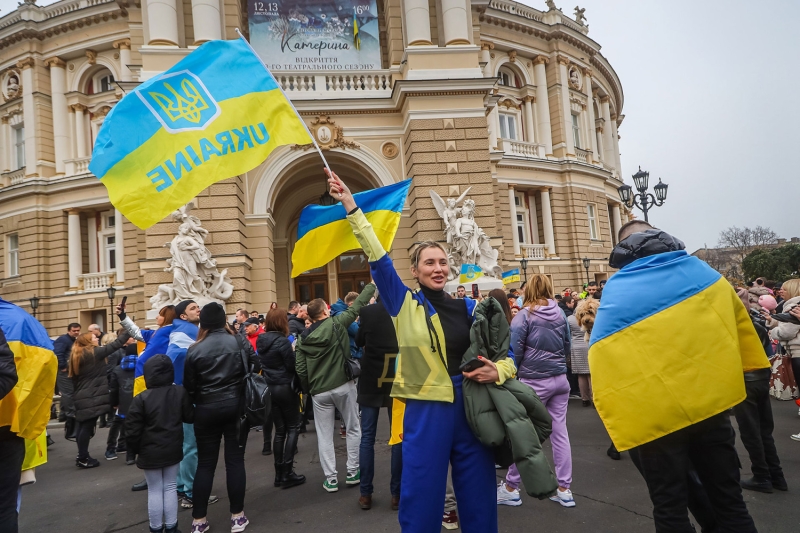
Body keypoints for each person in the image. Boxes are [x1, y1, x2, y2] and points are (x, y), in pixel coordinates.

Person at [327, 169, 516, 533]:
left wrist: (499, 371)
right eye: (429, 263)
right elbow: (378, 257)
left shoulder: (470, 310)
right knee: (420, 500)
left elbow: (507, 356)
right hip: (425, 409)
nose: (438, 268)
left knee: (478, 499)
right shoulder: (402, 304)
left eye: (443, 262)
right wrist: (352, 207)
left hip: (470, 406)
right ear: (415, 271)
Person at [590, 220, 765, 532]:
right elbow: (739, 328)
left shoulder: (618, 288)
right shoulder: (703, 274)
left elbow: (603, 356)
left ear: (623, 249)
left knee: (670, 507)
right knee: (729, 501)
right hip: (711, 408)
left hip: (655, 420)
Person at [497, 274, 574, 508]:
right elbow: (567, 344)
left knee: (525, 435)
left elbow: (515, 351)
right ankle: (564, 488)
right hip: (560, 379)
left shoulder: (523, 316)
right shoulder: (560, 313)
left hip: (533, 380)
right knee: (560, 433)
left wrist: (515, 373)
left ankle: (511, 487)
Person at [184, 303, 260, 533]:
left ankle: (199, 521)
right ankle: (237, 517)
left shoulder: (194, 349)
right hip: (236, 406)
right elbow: (256, 364)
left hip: (206, 409)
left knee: (205, 464)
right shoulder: (237, 341)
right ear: (222, 321)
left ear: (203, 323)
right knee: (235, 460)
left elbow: (190, 386)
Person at [295, 283, 374, 493]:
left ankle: (330, 478)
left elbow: (301, 369)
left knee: (324, 435)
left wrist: (308, 388)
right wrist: (372, 284)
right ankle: (352, 471)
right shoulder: (337, 323)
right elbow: (357, 306)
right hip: (344, 384)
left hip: (319, 391)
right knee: (353, 427)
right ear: (324, 311)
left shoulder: (302, 338)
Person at [126, 354, 193, 533]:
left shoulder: (141, 399)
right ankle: (172, 527)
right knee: (170, 486)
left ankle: (156, 528)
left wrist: (134, 451)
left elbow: (132, 430)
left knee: (155, 490)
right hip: (173, 447)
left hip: (149, 451)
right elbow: (189, 416)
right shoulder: (179, 392)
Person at [733, 289, 786, 493]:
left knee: (750, 432)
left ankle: (762, 476)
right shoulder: (756, 325)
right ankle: (777, 476)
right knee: (764, 431)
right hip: (762, 378)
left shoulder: (729, 328)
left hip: (744, 381)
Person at [354, 293, 402, 511]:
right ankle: (397, 494)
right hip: (397, 378)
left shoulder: (367, 312)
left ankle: (365, 494)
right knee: (398, 438)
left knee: (367, 438)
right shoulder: (402, 311)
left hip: (372, 378)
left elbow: (359, 340)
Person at [257, 309, 305, 489]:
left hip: (271, 387)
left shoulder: (262, 341)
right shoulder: (282, 342)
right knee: (293, 427)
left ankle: (279, 474)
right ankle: (288, 472)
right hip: (285, 386)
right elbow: (291, 366)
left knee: (280, 431)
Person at [168, 300, 209, 509]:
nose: (198, 310)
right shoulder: (188, 333)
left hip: (180, 396)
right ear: (183, 316)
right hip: (189, 397)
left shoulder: (181, 331)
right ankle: (192, 492)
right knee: (192, 446)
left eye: (197, 307)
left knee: (186, 446)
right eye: (192, 308)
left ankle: (184, 487)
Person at [69, 329, 131, 468]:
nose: (97, 339)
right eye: (94, 338)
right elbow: (117, 344)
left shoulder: (77, 355)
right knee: (87, 427)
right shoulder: (94, 353)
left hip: (81, 395)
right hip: (91, 395)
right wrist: (128, 330)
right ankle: (83, 458)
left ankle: (82, 455)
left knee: (83, 427)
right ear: (88, 342)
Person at [106, 338, 138, 462]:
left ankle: (110, 448)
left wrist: (114, 403)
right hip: (137, 401)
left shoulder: (118, 369)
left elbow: (113, 388)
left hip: (122, 402)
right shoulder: (143, 366)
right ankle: (128, 450)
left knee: (117, 424)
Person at [53, 323, 80, 436]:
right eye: (74, 330)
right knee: (68, 393)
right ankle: (70, 416)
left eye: (78, 330)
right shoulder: (63, 340)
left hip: (69, 370)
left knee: (68, 393)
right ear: (69, 330)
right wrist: (62, 366)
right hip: (64, 371)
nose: (76, 332)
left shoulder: (72, 340)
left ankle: (64, 414)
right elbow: (58, 353)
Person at [568, 300, 592, 407]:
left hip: (576, 348)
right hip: (588, 344)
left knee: (581, 375)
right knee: (591, 374)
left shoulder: (569, 319)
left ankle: (584, 399)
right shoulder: (591, 317)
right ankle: (594, 398)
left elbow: (567, 335)